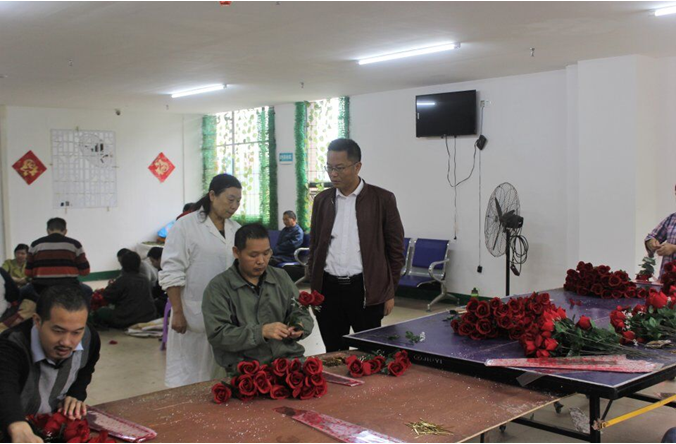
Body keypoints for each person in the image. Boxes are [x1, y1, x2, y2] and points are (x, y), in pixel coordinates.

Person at [307, 138, 405, 352]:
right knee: (333, 353)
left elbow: (395, 251)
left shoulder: (382, 199)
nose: (333, 174)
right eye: (329, 167)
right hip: (328, 291)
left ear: (357, 166)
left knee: (370, 354)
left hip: (364, 291)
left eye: (339, 168)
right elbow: (315, 246)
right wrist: (314, 289)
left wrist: (389, 292)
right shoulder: (322, 200)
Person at [159, 174, 242, 388]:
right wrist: (178, 312)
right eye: (230, 199)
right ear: (212, 195)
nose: (234, 206)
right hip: (192, 312)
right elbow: (172, 270)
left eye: (238, 201)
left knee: (219, 373)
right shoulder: (185, 226)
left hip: (227, 313)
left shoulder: (235, 229)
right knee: (190, 374)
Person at [203, 223, 313, 372]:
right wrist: (261, 332)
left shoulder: (281, 277)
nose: (261, 261)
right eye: (253, 255)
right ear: (236, 252)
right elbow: (218, 335)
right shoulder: (219, 287)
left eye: (266, 253)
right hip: (245, 367)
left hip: (288, 360)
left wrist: (299, 326)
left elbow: (302, 313)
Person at [0, 286, 100, 443]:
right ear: (37, 321)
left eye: (76, 332)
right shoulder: (11, 346)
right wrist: (16, 424)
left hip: (50, 423)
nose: (66, 342)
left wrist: (76, 394)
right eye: (58, 331)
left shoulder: (89, 338)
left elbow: (86, 368)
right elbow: (4, 388)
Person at [93, 252, 157, 329]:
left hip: (125, 318)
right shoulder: (145, 279)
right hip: (147, 317)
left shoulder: (122, 280)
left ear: (123, 264)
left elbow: (108, 297)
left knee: (102, 311)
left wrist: (110, 286)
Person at [645, 185, 676, 279]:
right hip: (667, 280)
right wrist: (651, 243)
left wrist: (674, 248)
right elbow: (650, 237)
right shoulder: (671, 218)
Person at [147, 247, 168, 315]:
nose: (152, 264)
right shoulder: (161, 269)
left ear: (160, 259)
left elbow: (159, 289)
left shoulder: (166, 270)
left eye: (152, 261)